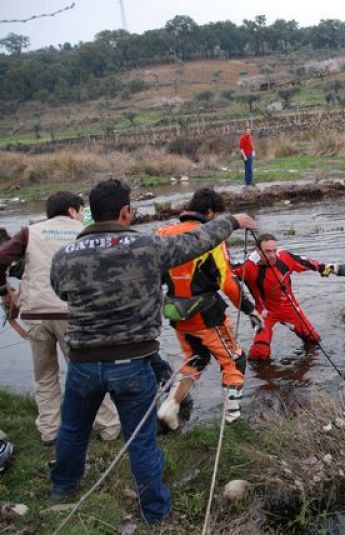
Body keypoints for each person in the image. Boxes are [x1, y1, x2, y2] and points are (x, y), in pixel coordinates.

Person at [49, 178, 256, 524]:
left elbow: (61, 292)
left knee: (73, 428)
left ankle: (63, 487)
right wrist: (234, 221)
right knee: (141, 440)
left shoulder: (65, 255)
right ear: (126, 212)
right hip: (132, 361)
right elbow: (196, 240)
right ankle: (156, 513)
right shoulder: (145, 247)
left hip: (83, 361)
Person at [0, 192, 120, 446]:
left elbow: (1, 259)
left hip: (36, 315)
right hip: (75, 315)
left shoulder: (29, 232)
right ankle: (108, 429)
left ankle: (50, 431)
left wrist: (4, 290)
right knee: (90, 373)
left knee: (44, 375)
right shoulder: (87, 232)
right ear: (73, 210)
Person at [156, 188, 260, 431]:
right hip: (207, 315)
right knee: (234, 360)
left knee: (196, 359)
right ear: (210, 212)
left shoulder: (163, 233)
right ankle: (233, 420)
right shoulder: (211, 238)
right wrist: (249, 309)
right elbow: (227, 282)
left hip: (177, 313)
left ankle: (170, 406)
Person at [233, 233, 333, 361]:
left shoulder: (285, 257)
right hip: (264, 313)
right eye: (267, 251)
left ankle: (303, 367)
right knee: (260, 353)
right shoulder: (246, 265)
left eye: (274, 250)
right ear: (257, 250)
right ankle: (260, 377)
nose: (272, 255)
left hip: (290, 309)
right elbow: (222, 272)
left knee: (314, 341)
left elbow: (309, 263)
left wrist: (329, 269)